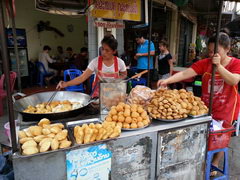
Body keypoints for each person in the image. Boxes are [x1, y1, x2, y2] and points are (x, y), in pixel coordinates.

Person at [157, 32, 240, 174]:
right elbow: (185, 73)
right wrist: (167, 80)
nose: (212, 55)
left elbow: (233, 80)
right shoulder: (205, 63)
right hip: (206, 107)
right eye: (209, 51)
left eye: (216, 52)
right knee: (205, 136)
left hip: (227, 108)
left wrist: (219, 66)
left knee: (221, 138)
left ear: (227, 49)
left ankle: (215, 161)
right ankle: (202, 160)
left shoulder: (236, 64)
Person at [57, 35, 127, 97]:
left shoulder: (120, 63)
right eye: (102, 49)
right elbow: (82, 77)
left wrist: (114, 81)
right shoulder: (95, 62)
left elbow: (124, 75)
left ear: (114, 51)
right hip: (98, 95)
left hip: (114, 95)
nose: (103, 52)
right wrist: (66, 84)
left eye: (107, 50)